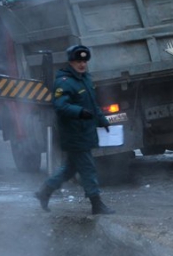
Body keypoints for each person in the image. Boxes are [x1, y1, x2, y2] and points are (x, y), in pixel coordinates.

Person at [34, 45, 115, 215]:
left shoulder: (85, 79)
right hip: (74, 133)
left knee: (70, 168)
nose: (82, 64)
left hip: (85, 131)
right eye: (78, 61)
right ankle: (96, 204)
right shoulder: (64, 82)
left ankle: (44, 192)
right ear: (71, 62)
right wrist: (79, 112)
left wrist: (102, 120)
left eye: (84, 61)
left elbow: (92, 104)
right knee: (88, 168)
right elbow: (60, 105)